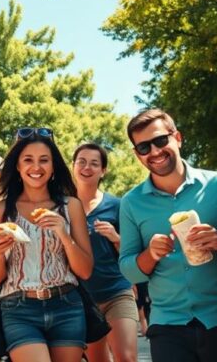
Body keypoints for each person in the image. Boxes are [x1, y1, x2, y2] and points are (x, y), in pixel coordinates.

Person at [117, 108, 217, 362]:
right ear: (137, 154)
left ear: (178, 138)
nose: (154, 152)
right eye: (143, 148)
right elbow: (128, 269)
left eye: (161, 140)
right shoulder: (131, 203)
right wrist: (150, 255)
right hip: (167, 326)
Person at [0, 128, 93, 362]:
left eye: (44, 160)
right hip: (18, 308)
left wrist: (64, 234)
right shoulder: (0, 210)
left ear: (54, 166)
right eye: (28, 160)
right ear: (17, 166)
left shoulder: (71, 206)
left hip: (67, 305)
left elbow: (85, 270)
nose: (36, 167)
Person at [72, 143, 139, 362]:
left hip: (116, 292)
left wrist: (116, 237)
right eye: (81, 161)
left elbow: (132, 252)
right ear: (73, 166)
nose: (87, 167)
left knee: (126, 358)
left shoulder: (117, 205)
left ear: (103, 170)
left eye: (94, 163)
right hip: (82, 298)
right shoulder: (61, 206)